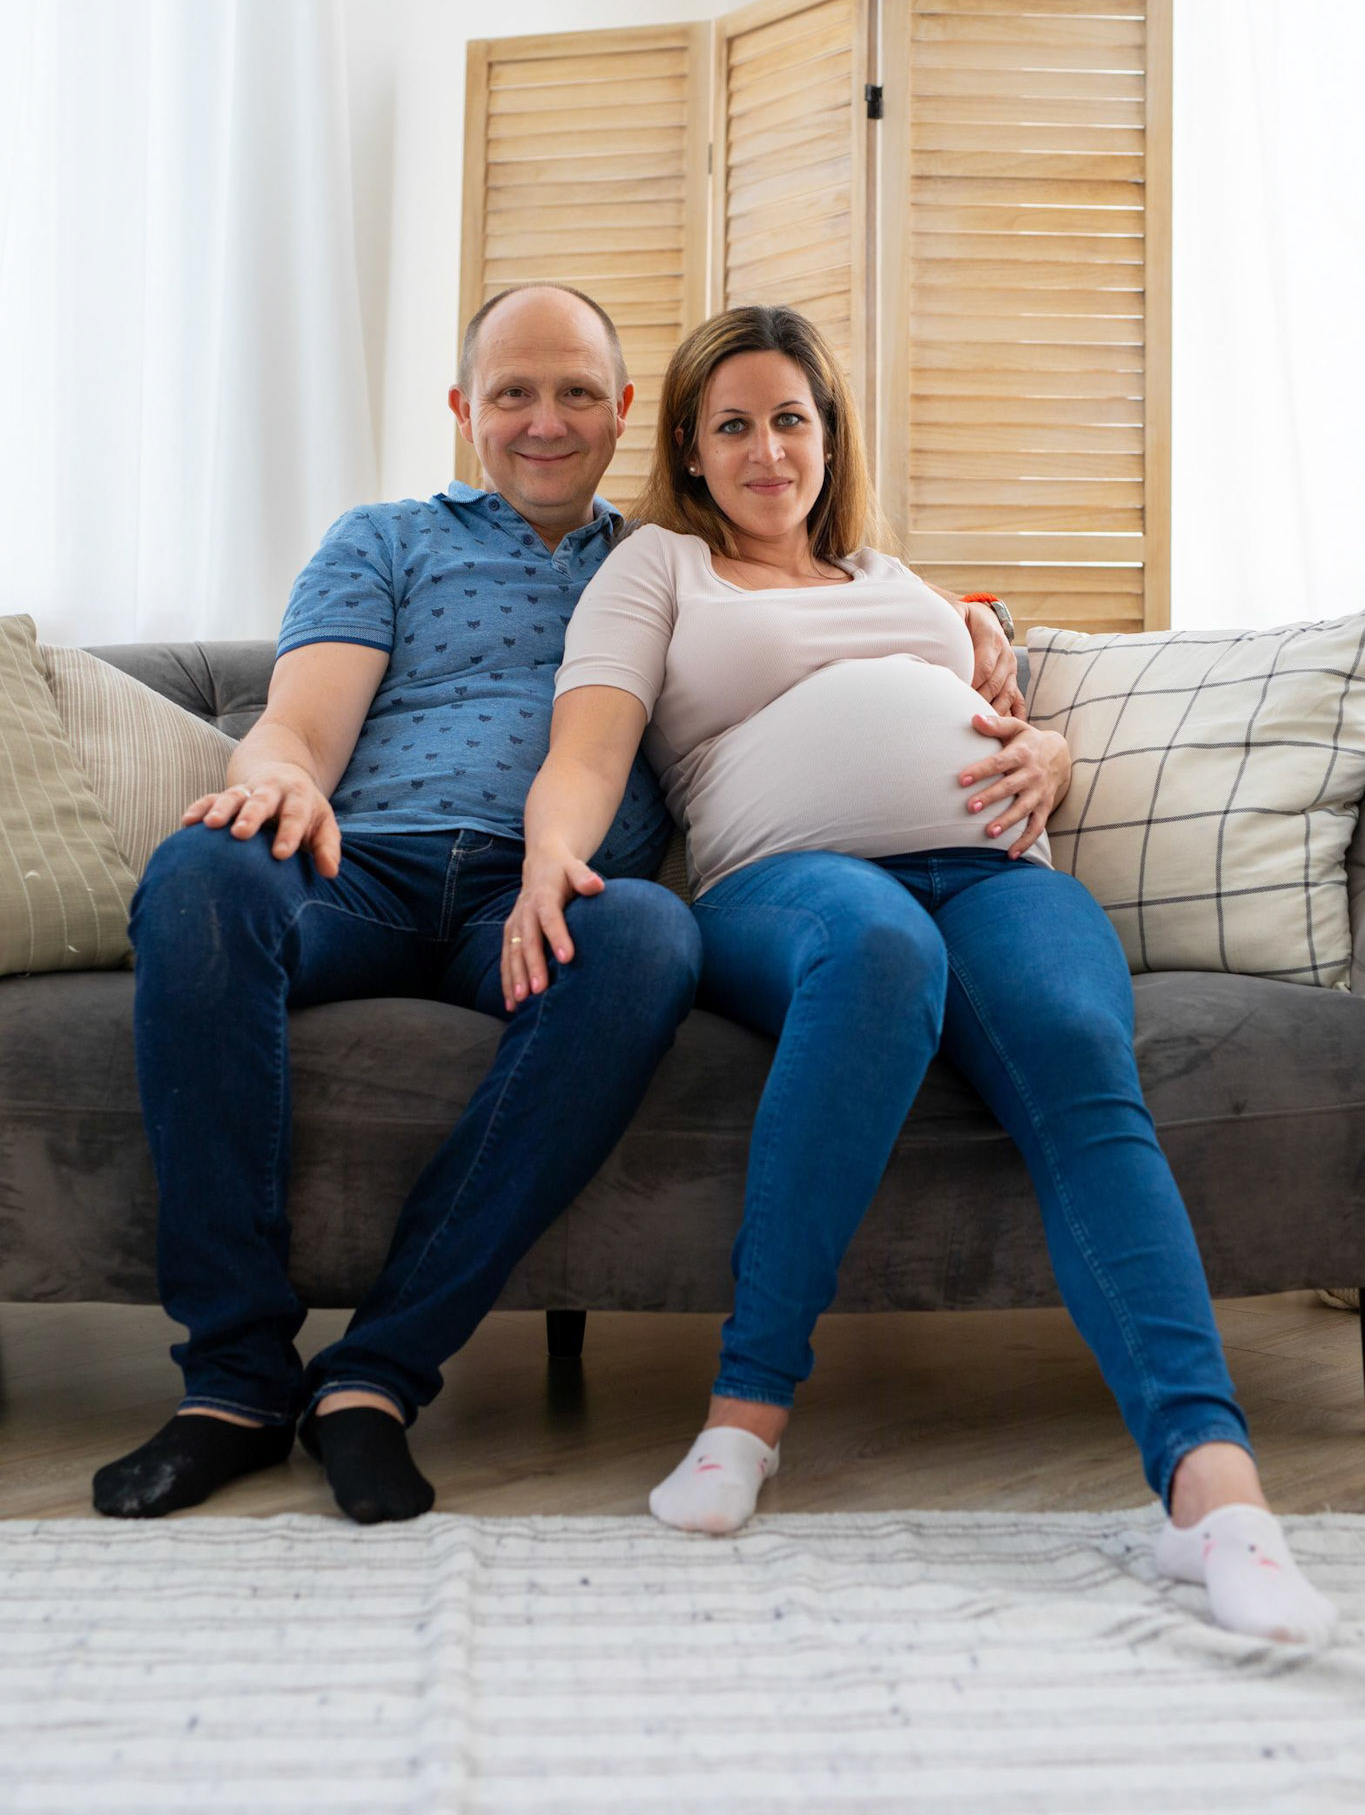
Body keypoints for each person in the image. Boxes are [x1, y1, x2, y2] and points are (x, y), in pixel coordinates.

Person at [503, 303, 1338, 1647]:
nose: (767, 448)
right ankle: (744, 1415)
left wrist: (1052, 749)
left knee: (1077, 1044)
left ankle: (1214, 1496)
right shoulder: (659, 567)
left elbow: (1004, 708)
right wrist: (551, 856)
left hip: (998, 874)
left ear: (829, 438)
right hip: (791, 882)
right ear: (692, 450)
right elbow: (590, 751)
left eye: (791, 418)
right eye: (733, 424)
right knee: (881, 952)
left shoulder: (894, 580)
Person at [92, 283, 712, 1524]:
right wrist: (276, 779)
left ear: (624, 409)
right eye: (514, 392)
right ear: (464, 409)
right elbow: (300, 722)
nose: (546, 420)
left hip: (540, 894)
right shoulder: (386, 538)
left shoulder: (677, 561)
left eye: (577, 392)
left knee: (650, 932)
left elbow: (836, 605)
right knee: (202, 870)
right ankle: (234, 1381)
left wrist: (980, 632)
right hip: (357, 869)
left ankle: (372, 1374)